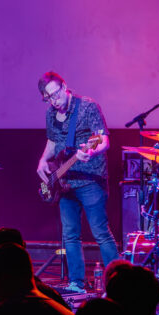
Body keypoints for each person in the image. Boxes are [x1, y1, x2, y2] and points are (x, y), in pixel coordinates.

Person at [35, 71, 116, 294]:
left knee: (100, 232)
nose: (54, 100)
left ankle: (117, 283)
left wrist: (93, 150)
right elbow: (52, 141)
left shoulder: (88, 107)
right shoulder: (50, 114)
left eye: (56, 93)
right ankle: (76, 284)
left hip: (90, 179)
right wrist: (43, 160)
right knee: (70, 235)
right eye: (49, 97)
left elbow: (103, 139)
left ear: (65, 86)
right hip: (64, 181)